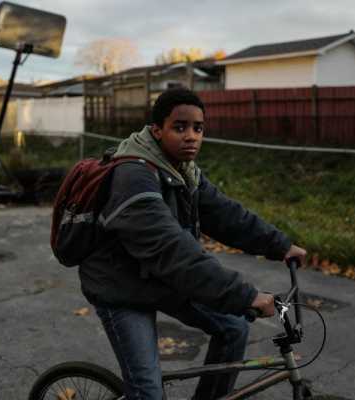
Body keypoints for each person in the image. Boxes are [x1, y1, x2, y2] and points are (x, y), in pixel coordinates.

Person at [79, 87, 307, 400]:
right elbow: (173, 251)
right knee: (148, 390)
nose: (191, 136)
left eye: (198, 128)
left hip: (159, 278)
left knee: (234, 327)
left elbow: (226, 214)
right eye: (180, 127)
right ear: (157, 131)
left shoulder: (183, 171)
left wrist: (280, 245)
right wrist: (246, 295)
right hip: (121, 287)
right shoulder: (133, 177)